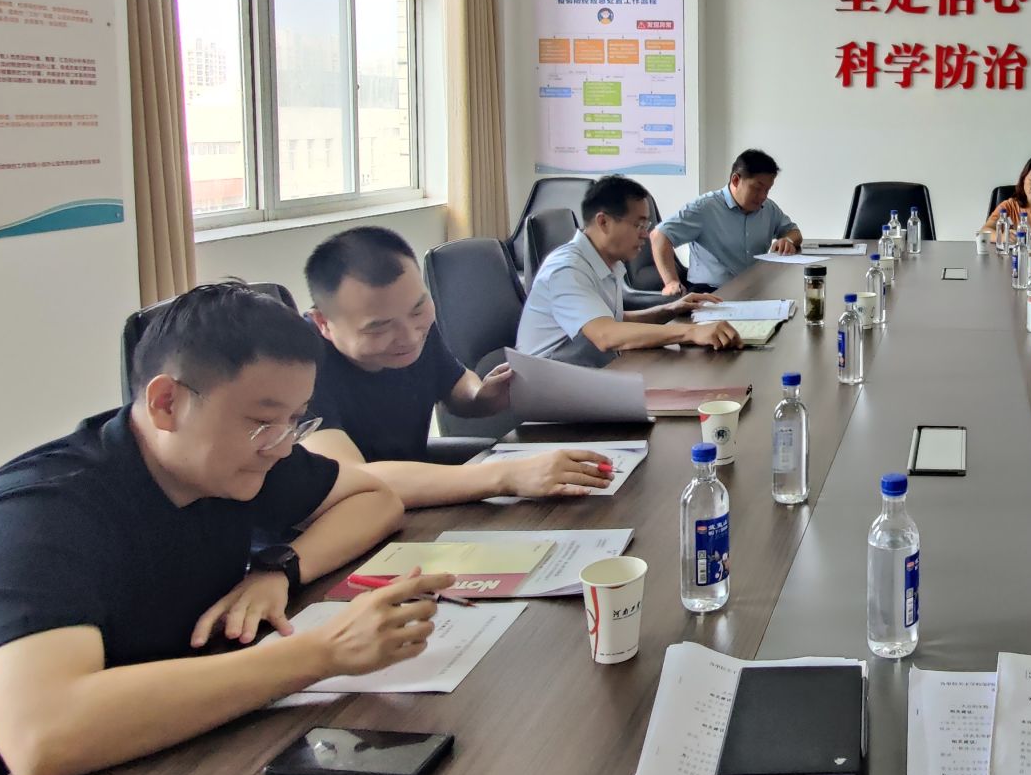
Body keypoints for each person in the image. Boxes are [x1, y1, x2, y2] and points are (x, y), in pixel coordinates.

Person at [0, 283, 443, 775]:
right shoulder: (31, 521)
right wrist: (319, 654)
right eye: (264, 421)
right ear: (166, 403)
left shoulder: (226, 462)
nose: (281, 446)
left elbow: (372, 497)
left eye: (295, 420)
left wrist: (279, 570)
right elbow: (44, 735)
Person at [300, 226, 621, 507]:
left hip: (414, 500)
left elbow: (457, 390)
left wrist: (483, 395)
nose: (409, 336)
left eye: (418, 309)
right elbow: (350, 479)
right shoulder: (299, 364)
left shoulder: (415, 330)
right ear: (324, 322)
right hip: (354, 520)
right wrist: (505, 476)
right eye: (379, 328)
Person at [522, 174, 742, 365]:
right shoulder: (566, 269)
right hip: (548, 385)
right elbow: (606, 334)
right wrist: (691, 332)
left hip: (588, 372)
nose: (645, 234)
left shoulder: (607, 262)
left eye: (646, 226)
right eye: (639, 225)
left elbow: (613, 321)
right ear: (603, 222)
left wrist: (671, 309)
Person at [649, 149, 802, 292]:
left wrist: (787, 240)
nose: (763, 196)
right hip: (711, 292)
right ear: (735, 180)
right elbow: (659, 235)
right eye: (757, 188)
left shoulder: (768, 208)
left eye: (767, 190)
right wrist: (671, 282)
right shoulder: (704, 208)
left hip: (754, 290)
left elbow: (794, 232)